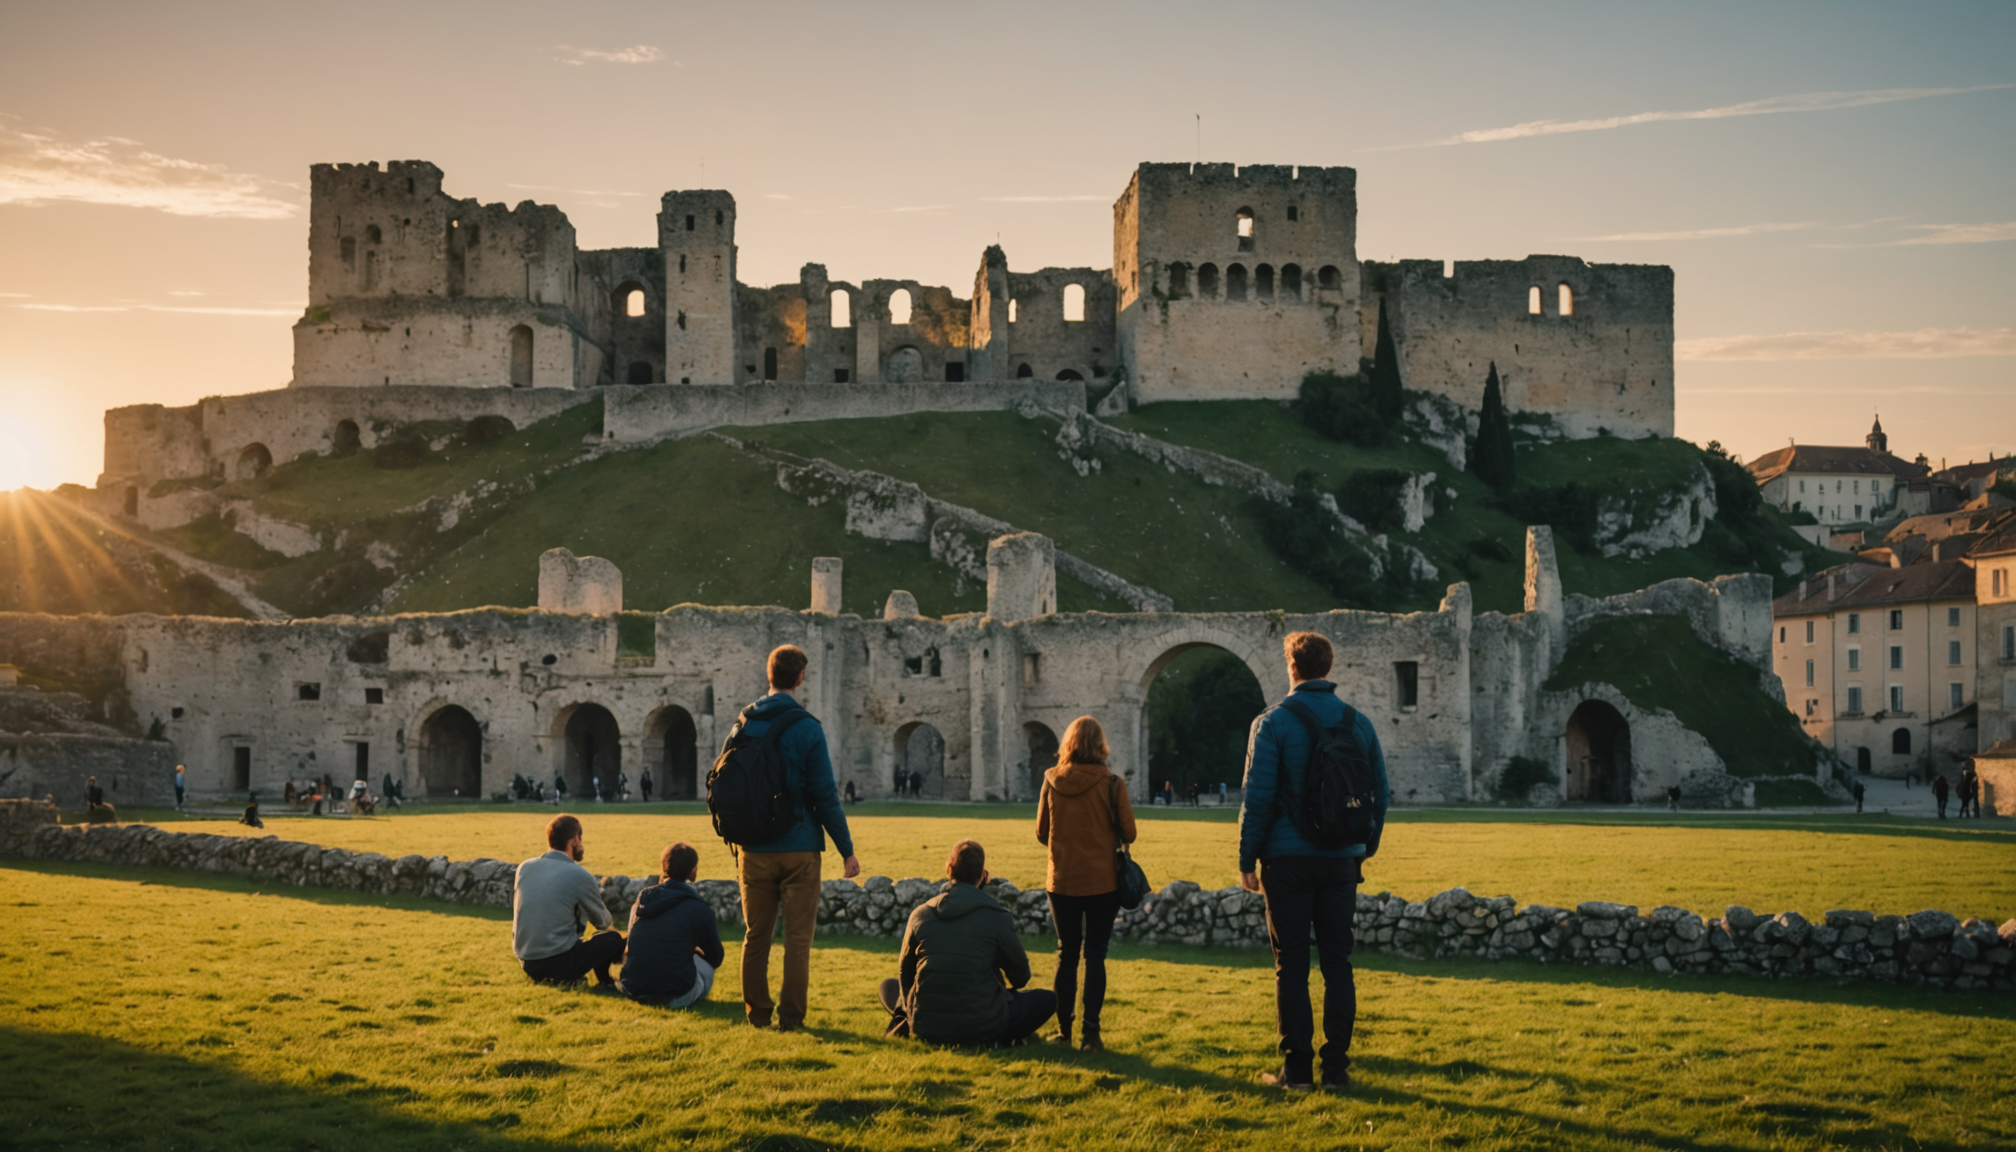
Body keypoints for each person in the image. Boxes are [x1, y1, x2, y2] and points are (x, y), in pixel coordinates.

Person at [1239, 631, 1389, 1092]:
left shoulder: (1272, 723)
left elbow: (1259, 798)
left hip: (1287, 860)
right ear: (1328, 666)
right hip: (1342, 859)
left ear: (1292, 667)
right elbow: (1380, 793)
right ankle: (1337, 1068)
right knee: (1338, 963)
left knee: (1292, 964)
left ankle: (1298, 1071)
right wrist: (1365, 846)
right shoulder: (1357, 722)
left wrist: (1248, 858)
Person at [727, 644, 860, 1032]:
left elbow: (728, 782)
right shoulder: (806, 727)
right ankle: (791, 1018)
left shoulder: (744, 722)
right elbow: (825, 794)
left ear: (770, 675)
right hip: (800, 845)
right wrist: (846, 850)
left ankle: (757, 1013)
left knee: (756, 937)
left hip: (753, 847)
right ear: (800, 678)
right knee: (797, 941)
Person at [878, 839, 1056, 1046]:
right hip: (983, 1023)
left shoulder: (920, 914)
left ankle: (905, 1018)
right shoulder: (997, 916)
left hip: (926, 1023)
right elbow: (1021, 978)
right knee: (1047, 999)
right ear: (984, 875)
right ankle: (1001, 1036)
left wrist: (911, 1011)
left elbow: (905, 972)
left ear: (948, 869)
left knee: (889, 986)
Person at [1035, 716, 1137, 1052]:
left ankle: (1064, 1029)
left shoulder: (1051, 779)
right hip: (1102, 881)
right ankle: (1091, 1033)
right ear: (1100, 745)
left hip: (1061, 878)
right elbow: (1130, 832)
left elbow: (1041, 832)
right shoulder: (1111, 783)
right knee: (1095, 955)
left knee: (1066, 953)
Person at [512, 813, 625, 985]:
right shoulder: (579, 875)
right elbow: (603, 922)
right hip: (558, 960)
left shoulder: (525, 868)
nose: (581, 845)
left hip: (527, 961)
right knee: (612, 940)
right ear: (574, 840)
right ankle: (603, 981)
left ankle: (566, 977)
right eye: (580, 840)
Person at [619, 841, 724, 1007]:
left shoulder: (643, 899)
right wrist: (692, 950)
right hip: (676, 995)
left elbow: (632, 942)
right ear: (693, 872)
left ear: (663, 868)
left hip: (633, 987)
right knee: (706, 967)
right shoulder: (699, 908)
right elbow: (716, 957)